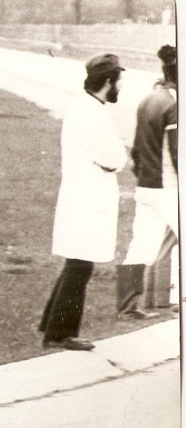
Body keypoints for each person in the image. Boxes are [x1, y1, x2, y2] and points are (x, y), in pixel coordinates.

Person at [39, 53, 128, 351]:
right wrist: (119, 154)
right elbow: (112, 158)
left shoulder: (88, 108)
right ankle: (59, 333)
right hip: (86, 200)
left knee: (77, 264)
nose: (120, 87)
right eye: (118, 81)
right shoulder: (91, 114)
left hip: (84, 197)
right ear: (107, 81)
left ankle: (52, 326)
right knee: (79, 266)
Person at [117, 44, 178, 318]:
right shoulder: (174, 104)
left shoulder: (148, 100)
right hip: (169, 187)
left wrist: (143, 176)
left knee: (140, 245)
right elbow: (178, 153)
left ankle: (127, 306)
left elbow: (136, 150)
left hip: (146, 185)